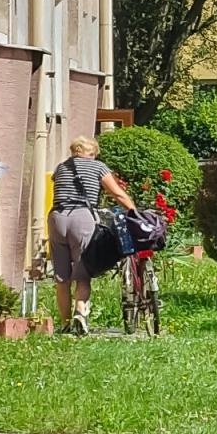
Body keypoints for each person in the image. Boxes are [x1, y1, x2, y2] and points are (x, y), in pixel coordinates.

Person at [50, 136, 136, 336]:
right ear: (92, 152)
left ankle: (64, 324)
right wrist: (134, 211)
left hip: (57, 217)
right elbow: (117, 194)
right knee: (83, 272)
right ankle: (80, 311)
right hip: (82, 218)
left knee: (62, 278)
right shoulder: (98, 167)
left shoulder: (61, 168)